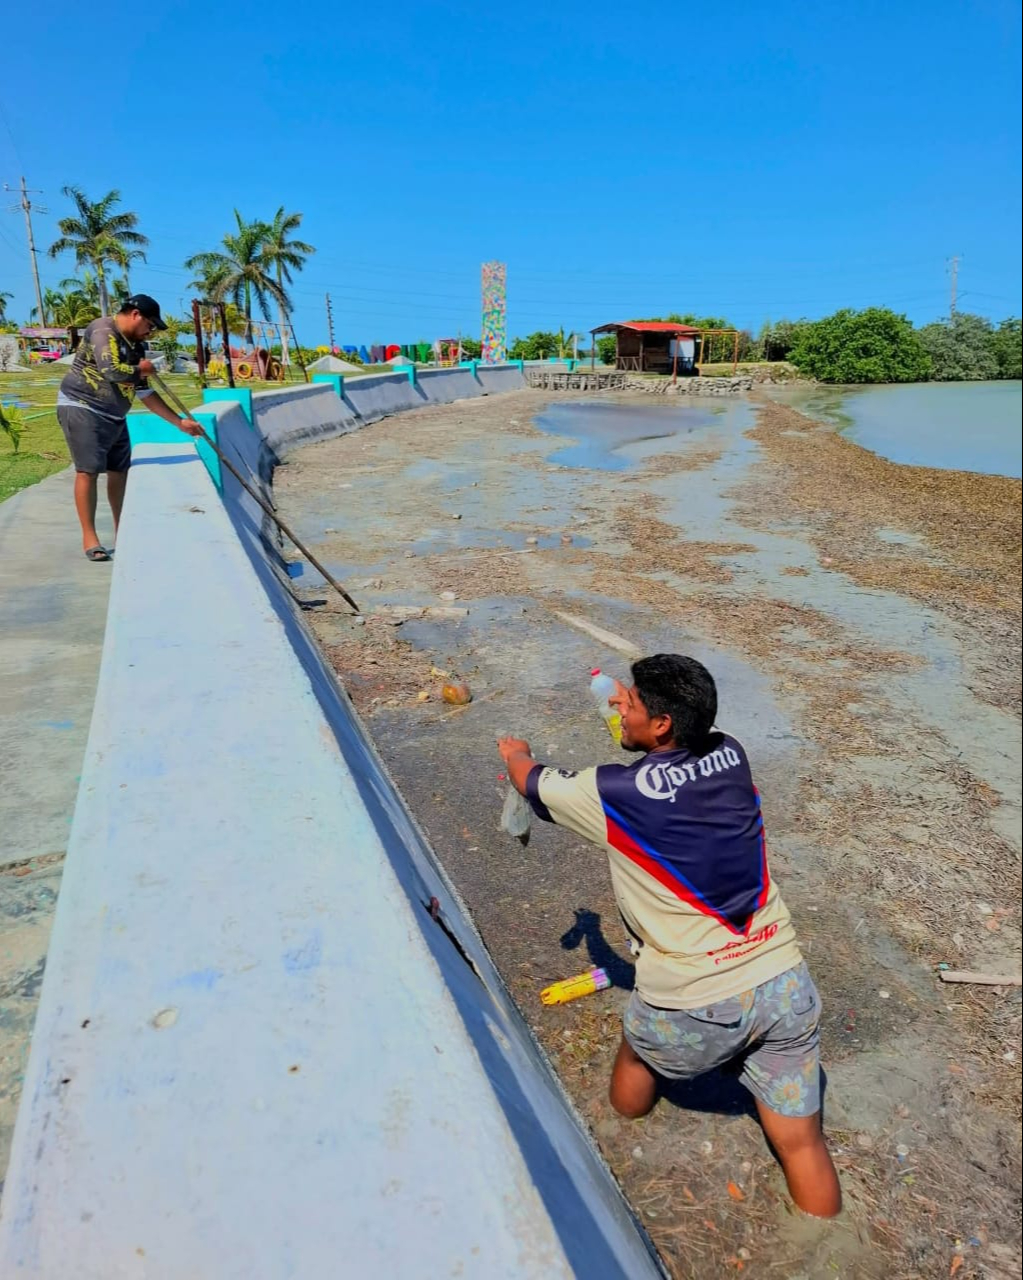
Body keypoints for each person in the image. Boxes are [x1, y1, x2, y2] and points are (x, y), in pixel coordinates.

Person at [497, 654, 841, 1218]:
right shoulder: (731, 752)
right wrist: (632, 721)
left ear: (661, 724)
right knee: (803, 1142)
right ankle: (826, 1233)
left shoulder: (610, 792)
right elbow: (670, 768)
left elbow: (530, 782)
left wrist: (516, 752)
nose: (618, 706)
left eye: (628, 702)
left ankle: (622, 1130)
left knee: (635, 1060)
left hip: (692, 998)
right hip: (785, 981)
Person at [56, 294, 203, 561]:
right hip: (83, 407)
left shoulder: (136, 346)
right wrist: (142, 370)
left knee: (119, 471)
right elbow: (111, 370)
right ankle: (90, 538)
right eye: (150, 324)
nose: (151, 331)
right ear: (135, 314)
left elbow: (145, 393)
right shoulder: (103, 329)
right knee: (88, 471)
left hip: (114, 415)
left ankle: (122, 530)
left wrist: (180, 423)